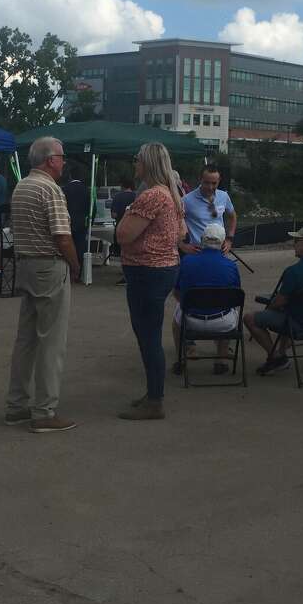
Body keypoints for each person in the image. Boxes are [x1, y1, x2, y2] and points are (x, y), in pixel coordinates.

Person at [4, 137, 81, 433]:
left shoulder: (22, 186)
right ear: (50, 160)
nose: (63, 162)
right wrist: (74, 266)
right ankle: (45, 411)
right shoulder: (51, 190)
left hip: (25, 263)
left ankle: (16, 405)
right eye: (61, 157)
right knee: (52, 341)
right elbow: (62, 236)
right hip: (49, 266)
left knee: (26, 339)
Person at [115, 142, 185, 420]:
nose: (135, 164)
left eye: (137, 159)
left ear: (148, 163)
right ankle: (152, 393)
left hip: (146, 270)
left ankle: (155, 400)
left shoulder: (151, 196)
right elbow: (182, 232)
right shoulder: (171, 193)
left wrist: (129, 216)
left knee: (148, 337)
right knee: (149, 334)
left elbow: (122, 235)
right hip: (164, 268)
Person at [242, 225, 303, 376]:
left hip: (299, 323)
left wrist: (269, 309)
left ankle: (275, 358)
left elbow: (279, 302)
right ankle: (280, 353)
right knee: (286, 310)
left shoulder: (294, 271)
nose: (294, 244)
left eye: (297, 241)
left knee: (250, 318)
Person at [171, 223, 241, 377]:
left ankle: (180, 360)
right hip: (222, 322)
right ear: (223, 243)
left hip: (191, 320)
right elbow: (235, 299)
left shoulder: (187, 262)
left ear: (202, 240)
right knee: (231, 310)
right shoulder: (231, 266)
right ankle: (221, 361)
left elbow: (176, 292)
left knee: (176, 317)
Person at [180, 164, 237, 255]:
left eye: (214, 183)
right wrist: (182, 245)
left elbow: (232, 217)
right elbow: (173, 223)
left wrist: (229, 239)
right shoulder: (186, 200)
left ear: (219, 181)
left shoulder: (224, 196)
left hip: (219, 252)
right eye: (206, 182)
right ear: (200, 179)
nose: (210, 187)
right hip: (197, 253)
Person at [63, 162, 91, 269]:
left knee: (68, 246)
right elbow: (90, 206)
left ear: (70, 175)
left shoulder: (65, 189)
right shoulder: (86, 189)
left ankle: (69, 268)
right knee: (80, 246)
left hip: (67, 222)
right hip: (81, 222)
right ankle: (79, 270)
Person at [109, 177, 137, 282]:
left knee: (123, 251)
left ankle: (125, 274)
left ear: (122, 185)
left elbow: (113, 214)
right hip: (135, 228)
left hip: (121, 227)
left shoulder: (117, 197)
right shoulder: (137, 196)